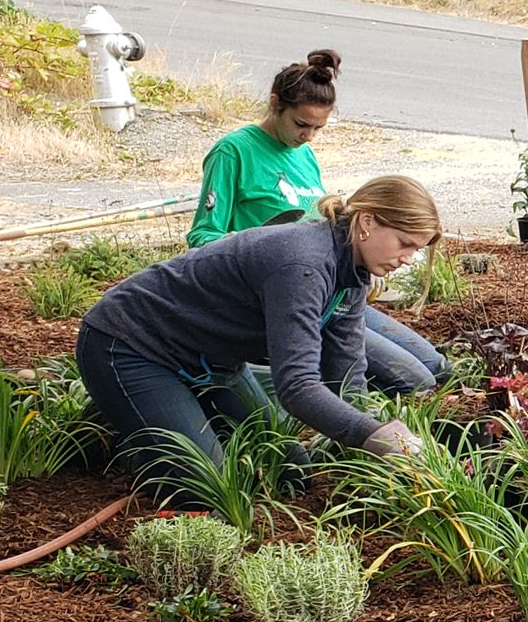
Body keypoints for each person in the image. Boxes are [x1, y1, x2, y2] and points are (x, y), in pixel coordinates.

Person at [81, 177, 440, 506]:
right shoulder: (304, 265)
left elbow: (345, 376)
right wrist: (374, 435)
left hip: (213, 362)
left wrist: (375, 441)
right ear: (367, 222)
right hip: (131, 345)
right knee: (211, 491)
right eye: (404, 243)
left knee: (290, 470)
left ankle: (162, 419)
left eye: (416, 250)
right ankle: (137, 434)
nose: (407, 259)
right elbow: (297, 387)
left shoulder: (353, 274)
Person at [188, 49, 449, 396]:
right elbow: (202, 236)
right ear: (275, 104)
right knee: (411, 381)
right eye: (301, 124)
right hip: (287, 292)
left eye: (318, 128)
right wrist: (252, 247)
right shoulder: (234, 151)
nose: (308, 136)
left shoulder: (305, 155)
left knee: (434, 365)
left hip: (332, 288)